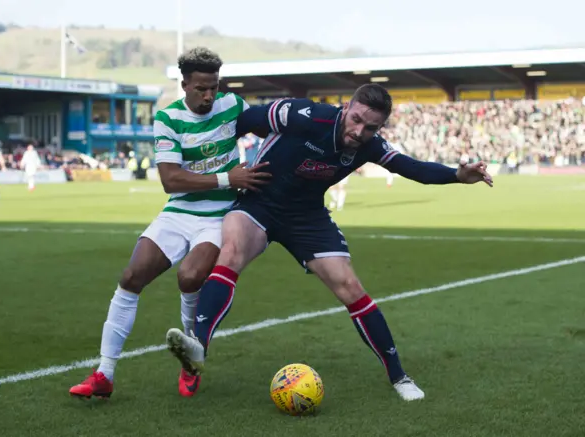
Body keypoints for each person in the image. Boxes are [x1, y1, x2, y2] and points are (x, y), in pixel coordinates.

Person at [164, 84, 493, 401]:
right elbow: (244, 120)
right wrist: (223, 167)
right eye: (356, 120)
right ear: (346, 108)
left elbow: (412, 167)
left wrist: (456, 175)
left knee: (350, 286)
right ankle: (197, 352)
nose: (359, 131)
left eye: (371, 127)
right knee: (232, 251)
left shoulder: (370, 146)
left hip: (307, 217)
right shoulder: (304, 115)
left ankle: (399, 376)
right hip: (259, 202)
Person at [68, 47, 271, 399]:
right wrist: (228, 178)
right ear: (184, 85)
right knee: (131, 277)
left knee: (190, 276)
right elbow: (171, 180)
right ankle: (104, 373)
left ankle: (191, 358)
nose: (209, 95)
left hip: (216, 217)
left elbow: (272, 125)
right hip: (178, 212)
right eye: (201, 88)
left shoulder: (232, 105)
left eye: (214, 87)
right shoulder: (167, 118)